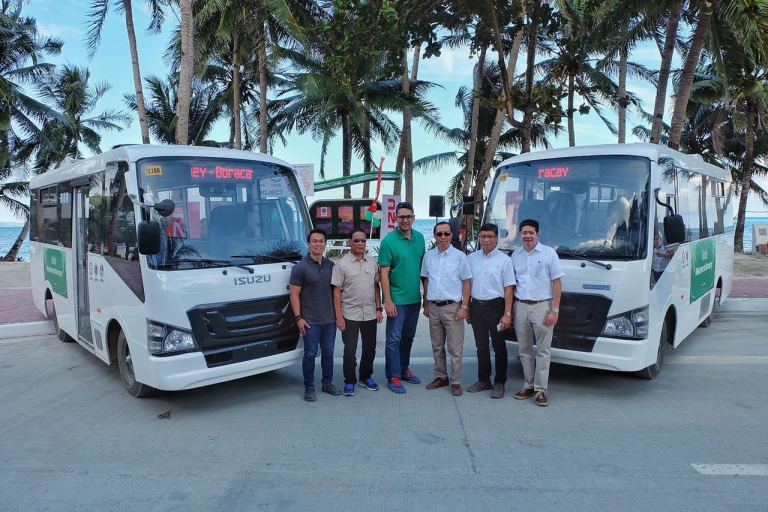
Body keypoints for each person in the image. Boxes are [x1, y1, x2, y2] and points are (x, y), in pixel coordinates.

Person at [511, 218, 564, 407]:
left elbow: (557, 283)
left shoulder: (549, 254)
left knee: (543, 350)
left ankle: (541, 389)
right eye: (524, 233)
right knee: (524, 349)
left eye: (530, 232)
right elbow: (511, 284)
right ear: (520, 235)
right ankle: (528, 385)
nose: (527, 236)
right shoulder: (515, 255)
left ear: (537, 234)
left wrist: (555, 310)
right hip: (520, 306)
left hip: (542, 307)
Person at [379, 201, 426, 394]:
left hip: (414, 299)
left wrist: (426, 298)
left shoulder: (420, 238)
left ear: (413, 218)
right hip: (396, 300)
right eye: (401, 217)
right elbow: (383, 273)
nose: (405, 220)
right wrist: (388, 301)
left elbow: (423, 270)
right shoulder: (388, 242)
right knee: (394, 339)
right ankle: (393, 376)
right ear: (395, 218)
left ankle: (404, 369)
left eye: (408, 216)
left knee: (408, 337)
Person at [421, 221, 472, 396]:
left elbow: (467, 282)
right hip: (434, 307)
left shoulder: (460, 257)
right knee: (437, 345)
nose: (443, 237)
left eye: (446, 233)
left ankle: (455, 381)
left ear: (451, 235)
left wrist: (464, 306)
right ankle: (441, 376)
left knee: (455, 348)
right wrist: (425, 303)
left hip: (453, 307)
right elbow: (426, 280)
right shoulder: (428, 256)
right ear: (435, 236)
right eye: (439, 234)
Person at [331, 228, 384, 396]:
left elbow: (376, 286)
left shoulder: (372, 262)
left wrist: (378, 308)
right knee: (350, 351)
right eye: (356, 240)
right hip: (349, 314)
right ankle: (350, 381)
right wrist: (339, 317)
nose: (360, 243)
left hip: (369, 313)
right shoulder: (341, 265)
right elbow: (336, 291)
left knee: (370, 349)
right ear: (350, 242)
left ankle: (365, 377)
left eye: (363, 240)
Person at [289, 228, 340, 402]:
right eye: (315, 241)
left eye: (321, 241)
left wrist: (338, 316)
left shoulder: (331, 266)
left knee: (328, 353)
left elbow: (337, 292)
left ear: (325, 244)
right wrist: (298, 318)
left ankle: (327, 383)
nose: (318, 244)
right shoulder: (299, 268)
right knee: (310, 354)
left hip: (329, 320)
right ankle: (309, 387)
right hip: (309, 321)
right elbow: (294, 294)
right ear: (308, 244)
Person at [466, 223, 516, 399]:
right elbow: (467, 284)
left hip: (496, 307)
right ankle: (483, 380)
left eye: (490, 236)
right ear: (479, 238)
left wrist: (507, 314)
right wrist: (467, 307)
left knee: (499, 346)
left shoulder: (505, 260)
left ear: (496, 238)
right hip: (476, 307)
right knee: (481, 346)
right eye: (483, 236)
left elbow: (509, 289)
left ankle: (500, 382)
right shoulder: (471, 258)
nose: (486, 240)